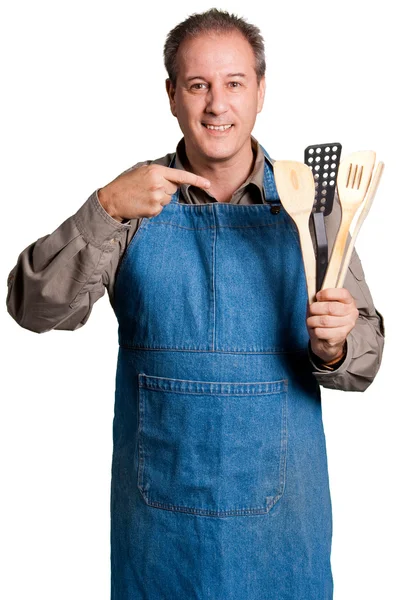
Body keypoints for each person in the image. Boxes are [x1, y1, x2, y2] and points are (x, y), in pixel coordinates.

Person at [6, 7, 384, 600]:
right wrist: (104, 206)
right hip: (160, 541)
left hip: (283, 538)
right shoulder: (131, 203)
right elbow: (32, 307)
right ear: (171, 95)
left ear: (261, 91)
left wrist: (336, 345)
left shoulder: (313, 206)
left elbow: (365, 359)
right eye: (198, 85)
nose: (217, 105)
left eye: (234, 83)